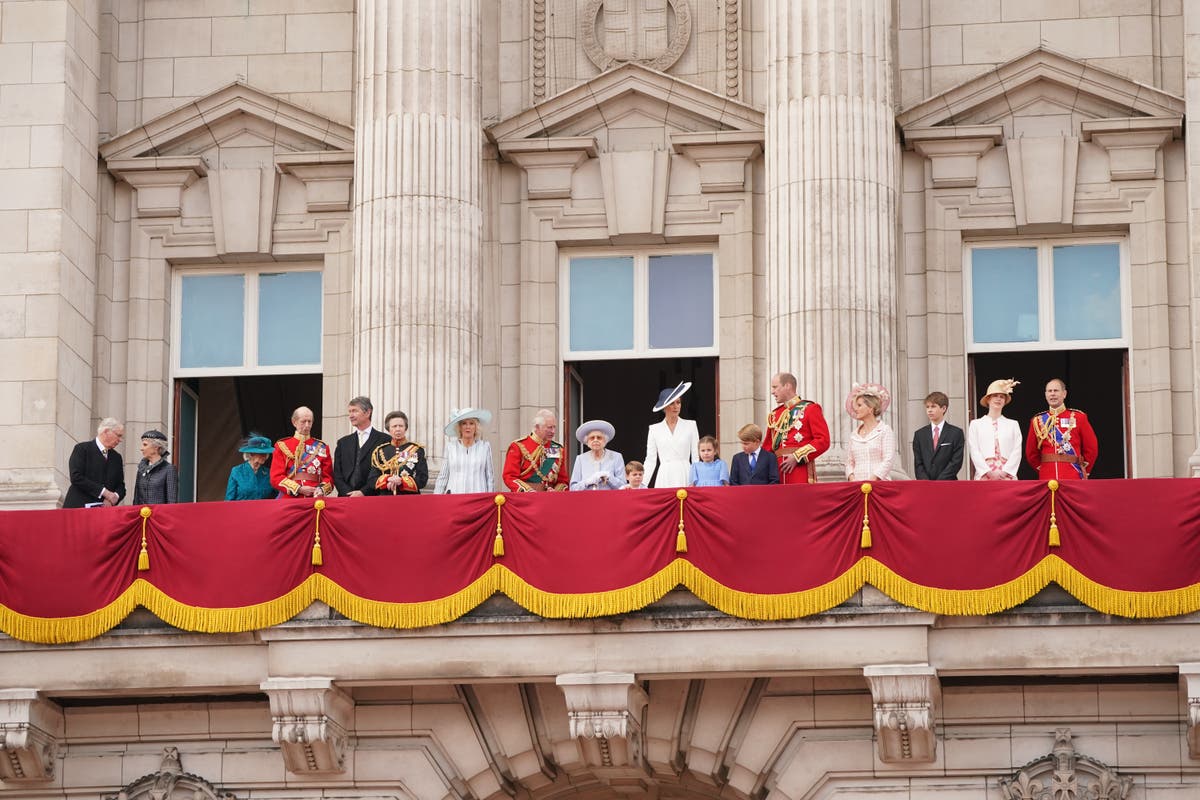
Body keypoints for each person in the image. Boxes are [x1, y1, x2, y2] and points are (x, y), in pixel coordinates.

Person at [763, 372, 830, 484]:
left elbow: (823, 440)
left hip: (800, 471)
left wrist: (797, 456)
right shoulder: (775, 415)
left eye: (775, 387)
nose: (772, 392)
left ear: (787, 386)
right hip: (777, 474)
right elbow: (768, 448)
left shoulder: (810, 409)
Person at [1026, 378, 1098, 480]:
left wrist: (1083, 470)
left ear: (1064, 394)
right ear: (1046, 395)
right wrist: (1043, 469)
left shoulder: (1079, 417)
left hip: (1073, 474)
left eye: (1056, 391)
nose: (1052, 394)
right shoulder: (1037, 420)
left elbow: (1091, 448)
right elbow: (1031, 453)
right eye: (1049, 391)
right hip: (1047, 475)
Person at [643, 382, 700, 488]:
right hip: (665, 475)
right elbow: (650, 459)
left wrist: (696, 480)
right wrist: (642, 484)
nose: (676, 406)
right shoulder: (654, 429)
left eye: (678, 402)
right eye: (672, 403)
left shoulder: (691, 425)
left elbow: (696, 456)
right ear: (664, 407)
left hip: (685, 473)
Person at [333, 396, 391, 497]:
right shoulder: (343, 443)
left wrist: (363, 492)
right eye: (349, 411)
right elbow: (337, 474)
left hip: (373, 497)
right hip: (346, 499)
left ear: (368, 412)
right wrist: (347, 494)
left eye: (354, 411)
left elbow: (385, 472)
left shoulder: (385, 440)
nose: (350, 415)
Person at [270, 406, 333, 498]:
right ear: (294, 422)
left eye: (309, 421)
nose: (307, 425)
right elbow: (275, 477)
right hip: (291, 499)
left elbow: (329, 478)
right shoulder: (282, 446)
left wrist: (321, 490)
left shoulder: (322, 447)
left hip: (315, 499)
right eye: (303, 421)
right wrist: (299, 488)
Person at [63, 418, 127, 508]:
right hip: (79, 508)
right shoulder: (82, 449)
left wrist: (113, 498)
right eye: (119, 435)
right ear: (106, 432)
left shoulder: (117, 457)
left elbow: (120, 486)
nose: (120, 440)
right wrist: (104, 492)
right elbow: (76, 477)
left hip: (104, 513)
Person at [968, 379, 1022, 480]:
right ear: (988, 399)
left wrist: (1006, 472)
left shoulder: (1013, 424)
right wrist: (987, 471)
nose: (998, 399)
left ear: (1005, 401)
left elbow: (1017, 450)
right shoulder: (976, 424)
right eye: (995, 396)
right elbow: (974, 450)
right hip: (984, 474)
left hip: (1007, 474)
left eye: (1002, 397)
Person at [503, 409, 568, 492]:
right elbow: (509, 477)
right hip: (525, 498)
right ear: (537, 427)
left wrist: (555, 491)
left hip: (550, 499)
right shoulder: (519, 446)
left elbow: (563, 481)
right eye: (549, 427)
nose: (553, 431)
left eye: (554, 427)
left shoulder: (556, 448)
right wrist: (528, 491)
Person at [844, 382, 898, 481]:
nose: (855, 409)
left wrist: (872, 480)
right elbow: (849, 462)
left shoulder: (884, 430)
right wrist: (852, 479)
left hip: (879, 485)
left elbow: (888, 459)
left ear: (870, 408)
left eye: (859, 405)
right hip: (856, 487)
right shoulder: (854, 435)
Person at [434, 408, 495, 494]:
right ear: (459, 427)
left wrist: (490, 499)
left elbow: (490, 478)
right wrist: (436, 498)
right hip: (455, 497)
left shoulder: (484, 447)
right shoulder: (450, 447)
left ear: (476, 427)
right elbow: (443, 476)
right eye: (464, 423)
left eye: (471, 423)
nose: (468, 427)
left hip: (479, 498)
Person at [366, 411, 428, 495]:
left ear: (405, 428)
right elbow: (371, 479)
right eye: (394, 426)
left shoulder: (416, 450)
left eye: (401, 426)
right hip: (385, 498)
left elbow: (422, 478)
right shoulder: (380, 451)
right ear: (389, 429)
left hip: (409, 499)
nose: (398, 429)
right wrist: (387, 479)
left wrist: (401, 481)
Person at [912, 391, 965, 480]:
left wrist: (940, 482)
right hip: (926, 485)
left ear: (943, 408)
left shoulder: (956, 433)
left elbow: (956, 462)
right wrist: (926, 482)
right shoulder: (919, 434)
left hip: (948, 484)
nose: (929, 410)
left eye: (933, 406)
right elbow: (918, 462)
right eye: (927, 407)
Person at [569, 420, 626, 490]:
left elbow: (623, 486)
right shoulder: (580, 459)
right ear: (587, 442)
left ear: (605, 440)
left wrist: (609, 477)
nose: (595, 440)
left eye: (599, 437)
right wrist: (586, 482)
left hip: (610, 499)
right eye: (592, 438)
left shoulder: (616, 457)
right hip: (587, 499)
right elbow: (572, 488)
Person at [132, 430, 178, 505]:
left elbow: (172, 502)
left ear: (156, 447)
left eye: (145, 445)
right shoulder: (141, 469)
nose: (141, 448)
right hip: (141, 515)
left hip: (159, 515)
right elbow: (136, 500)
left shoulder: (169, 469)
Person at [225, 434, 276, 501]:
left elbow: (279, 494)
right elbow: (229, 500)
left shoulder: (268, 473)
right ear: (251, 454)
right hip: (241, 510)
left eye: (267, 453)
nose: (265, 456)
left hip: (262, 510)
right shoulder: (237, 471)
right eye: (261, 453)